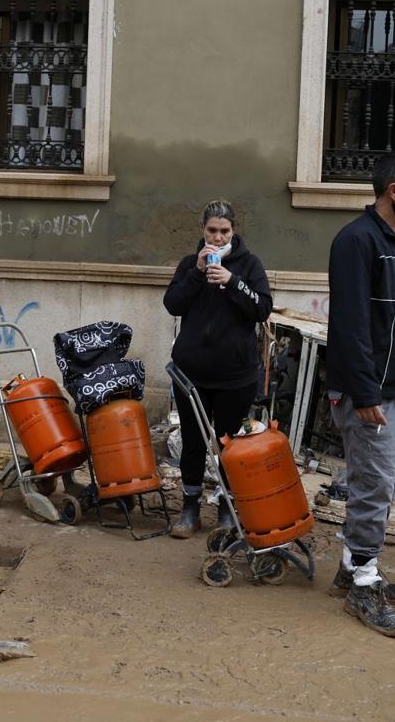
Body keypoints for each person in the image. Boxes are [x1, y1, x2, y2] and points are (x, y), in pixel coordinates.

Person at [325, 150, 395, 638]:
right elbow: (350, 328)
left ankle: (352, 568)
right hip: (368, 392)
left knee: (386, 482)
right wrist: (365, 393)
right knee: (372, 487)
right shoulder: (356, 241)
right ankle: (363, 586)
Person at [163, 200, 272, 539]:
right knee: (193, 442)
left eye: (224, 231)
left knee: (230, 445)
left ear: (233, 231)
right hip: (191, 375)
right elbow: (172, 304)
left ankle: (227, 509)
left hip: (235, 376)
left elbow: (262, 308)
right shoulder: (188, 265)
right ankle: (190, 509)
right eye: (212, 230)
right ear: (203, 231)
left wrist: (233, 281)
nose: (218, 237)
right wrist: (197, 273)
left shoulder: (250, 265)